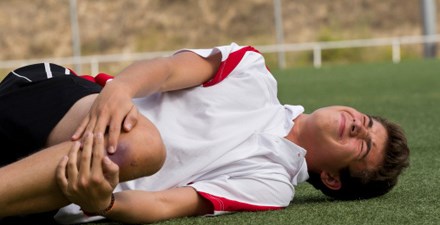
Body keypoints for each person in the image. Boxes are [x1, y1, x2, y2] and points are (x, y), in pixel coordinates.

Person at [0, 43, 409, 224]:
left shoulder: (270, 186)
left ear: (334, 178)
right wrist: (120, 90)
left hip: (54, 192)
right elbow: (165, 71)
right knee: (141, 145)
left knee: (126, 156)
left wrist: (104, 203)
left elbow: (164, 204)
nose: (360, 126)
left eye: (362, 146)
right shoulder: (251, 71)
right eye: (367, 122)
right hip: (57, 102)